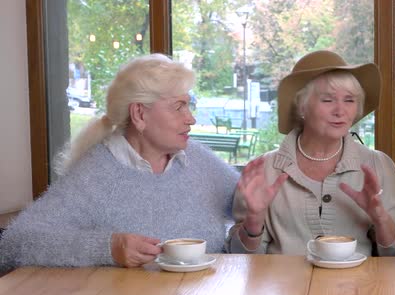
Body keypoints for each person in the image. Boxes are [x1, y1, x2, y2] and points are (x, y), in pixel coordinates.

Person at [0, 54, 239, 274]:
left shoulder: (198, 160)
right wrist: (108, 248)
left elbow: (246, 206)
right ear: (139, 115)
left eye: (189, 105)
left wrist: (252, 204)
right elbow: (17, 242)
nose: (191, 119)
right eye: (179, 107)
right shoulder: (95, 173)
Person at [226, 50, 395, 257]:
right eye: (328, 100)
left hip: (358, 287)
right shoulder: (264, 169)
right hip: (284, 287)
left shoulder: (378, 165)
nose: (340, 111)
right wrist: (254, 220)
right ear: (302, 106)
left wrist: (380, 217)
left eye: (349, 100)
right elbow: (239, 259)